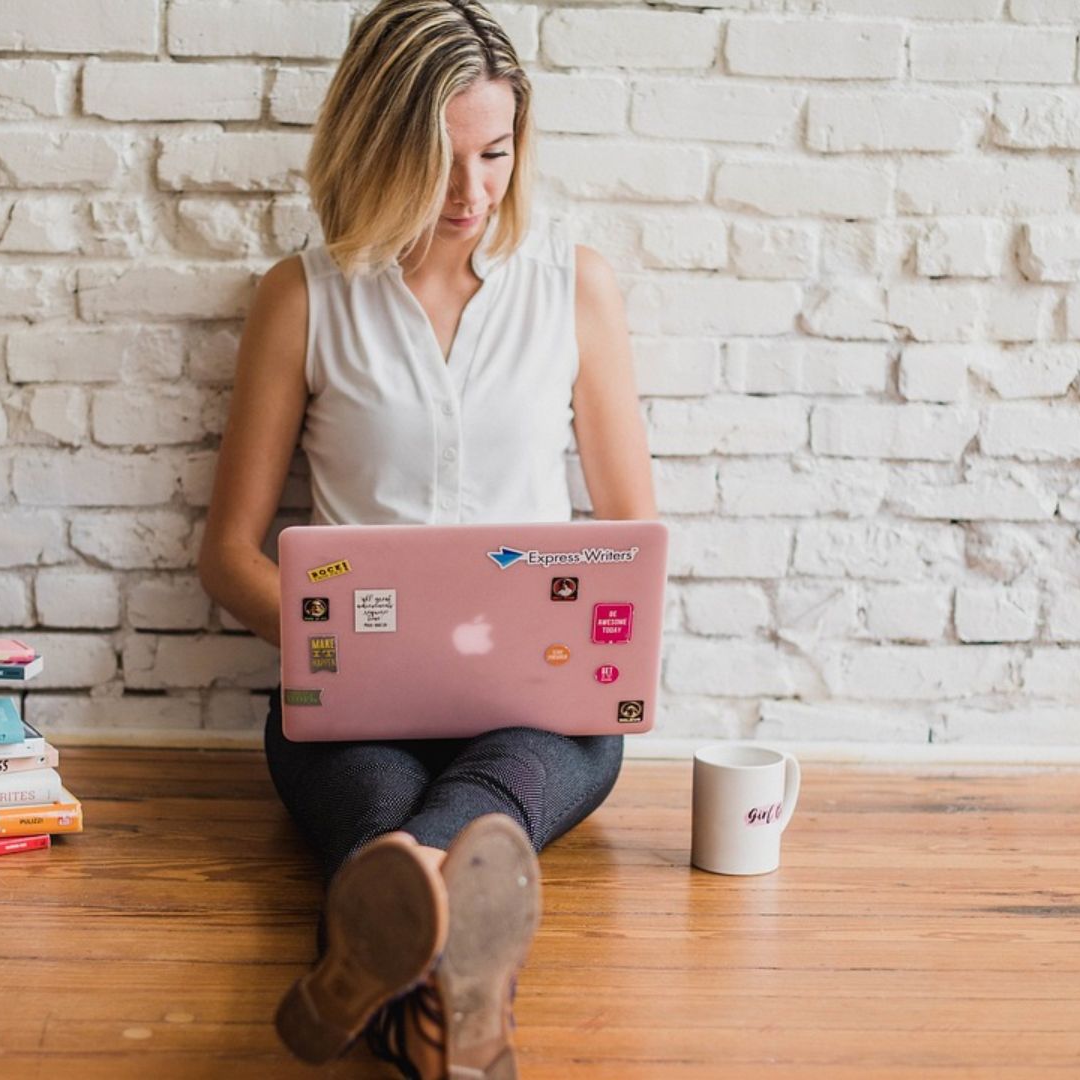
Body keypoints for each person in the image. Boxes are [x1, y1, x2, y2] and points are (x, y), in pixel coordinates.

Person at [195, 1, 656, 1075]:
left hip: (539, 712)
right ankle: (461, 1006)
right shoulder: (301, 299)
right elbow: (227, 554)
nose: (472, 192)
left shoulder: (571, 286)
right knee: (408, 815)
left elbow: (632, 536)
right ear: (374, 144)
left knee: (416, 838)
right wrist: (333, 643)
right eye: (438, 159)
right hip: (349, 712)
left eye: (494, 154)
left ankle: (378, 968)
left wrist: (609, 641)